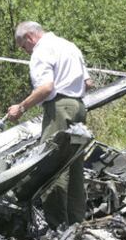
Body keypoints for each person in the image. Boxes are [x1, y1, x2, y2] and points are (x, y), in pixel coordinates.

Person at [7, 21, 94, 228]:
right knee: (74, 167)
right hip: (79, 107)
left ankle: (56, 226)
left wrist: (21, 107)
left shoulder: (41, 50)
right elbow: (88, 83)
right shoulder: (69, 46)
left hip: (59, 108)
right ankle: (76, 224)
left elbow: (46, 88)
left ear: (29, 37)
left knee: (52, 165)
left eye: (23, 47)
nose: (25, 51)